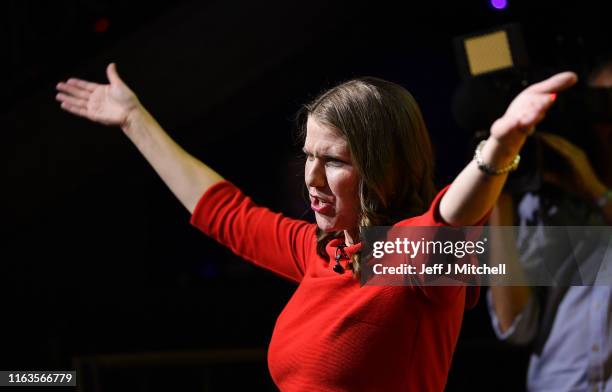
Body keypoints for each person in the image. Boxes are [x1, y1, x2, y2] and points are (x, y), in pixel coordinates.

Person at [55, 63, 576, 391]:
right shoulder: (320, 252)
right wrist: (133, 120)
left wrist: (500, 149)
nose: (311, 178)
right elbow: (226, 212)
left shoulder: (407, 259)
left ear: (382, 166)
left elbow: (451, 216)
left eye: (334, 160)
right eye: (307, 155)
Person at [488, 60, 612, 391]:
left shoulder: (589, 196)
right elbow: (515, 325)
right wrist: (499, 191)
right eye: (603, 106)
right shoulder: (549, 206)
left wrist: (599, 195)